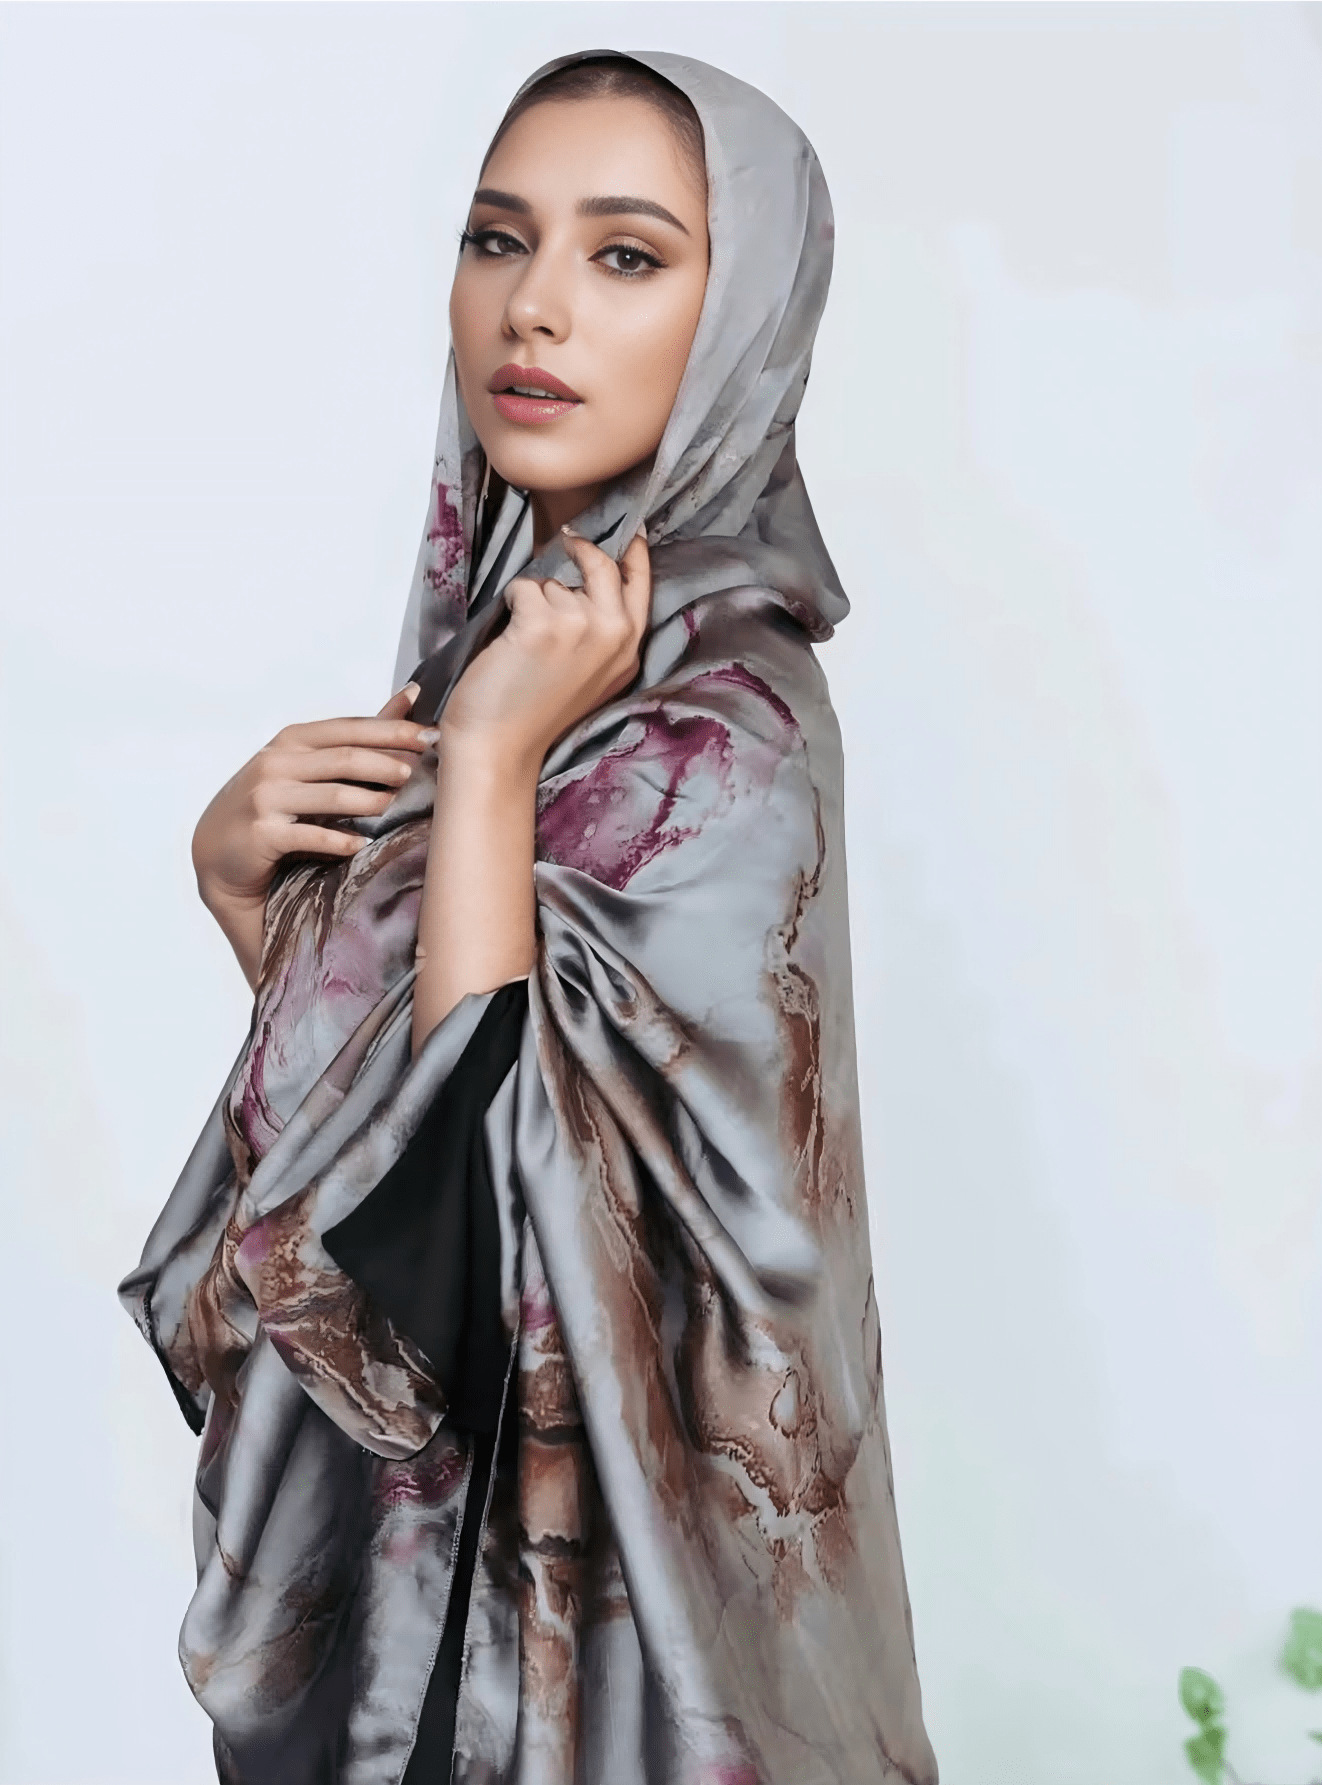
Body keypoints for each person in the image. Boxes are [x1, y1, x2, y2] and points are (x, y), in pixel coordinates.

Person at [120, 49, 939, 1785]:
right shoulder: (491, 660)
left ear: (746, 317)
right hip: (417, 1622)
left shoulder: (725, 728)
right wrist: (248, 906)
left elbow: (494, 1257)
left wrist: (492, 765)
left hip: (599, 1662)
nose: (536, 305)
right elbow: (393, 1181)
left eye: (626, 254)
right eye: (500, 239)